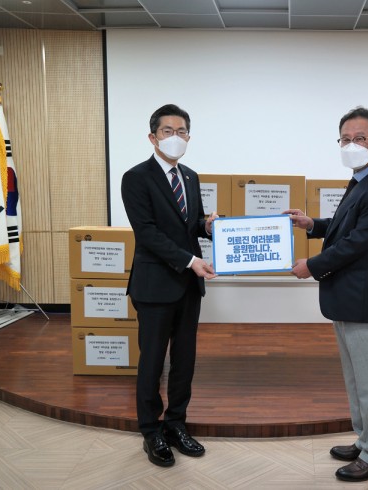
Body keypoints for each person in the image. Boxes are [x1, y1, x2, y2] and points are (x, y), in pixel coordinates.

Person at [285, 106, 368, 483]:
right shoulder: (362, 179)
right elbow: (344, 227)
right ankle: (365, 440)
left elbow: (357, 243)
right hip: (348, 295)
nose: (351, 145)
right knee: (356, 378)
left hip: (364, 299)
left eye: (360, 138)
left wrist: (312, 265)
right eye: (345, 139)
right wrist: (312, 224)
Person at [121, 104, 218, 467]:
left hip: (188, 286)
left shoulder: (190, 176)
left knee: (184, 360)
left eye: (182, 132)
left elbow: (190, 224)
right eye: (168, 131)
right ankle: (151, 431)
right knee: (152, 361)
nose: (175, 137)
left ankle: (176, 423)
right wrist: (191, 261)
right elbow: (147, 233)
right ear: (153, 137)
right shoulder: (136, 177)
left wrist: (207, 226)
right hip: (154, 285)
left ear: (188, 137)